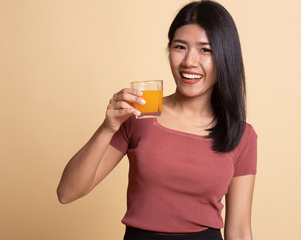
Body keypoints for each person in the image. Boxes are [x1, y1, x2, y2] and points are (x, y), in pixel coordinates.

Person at [57, 1, 257, 239]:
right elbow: (67, 193)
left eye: (206, 50)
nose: (189, 62)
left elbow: (240, 231)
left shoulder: (240, 134)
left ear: (225, 56)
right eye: (180, 47)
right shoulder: (139, 114)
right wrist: (107, 128)